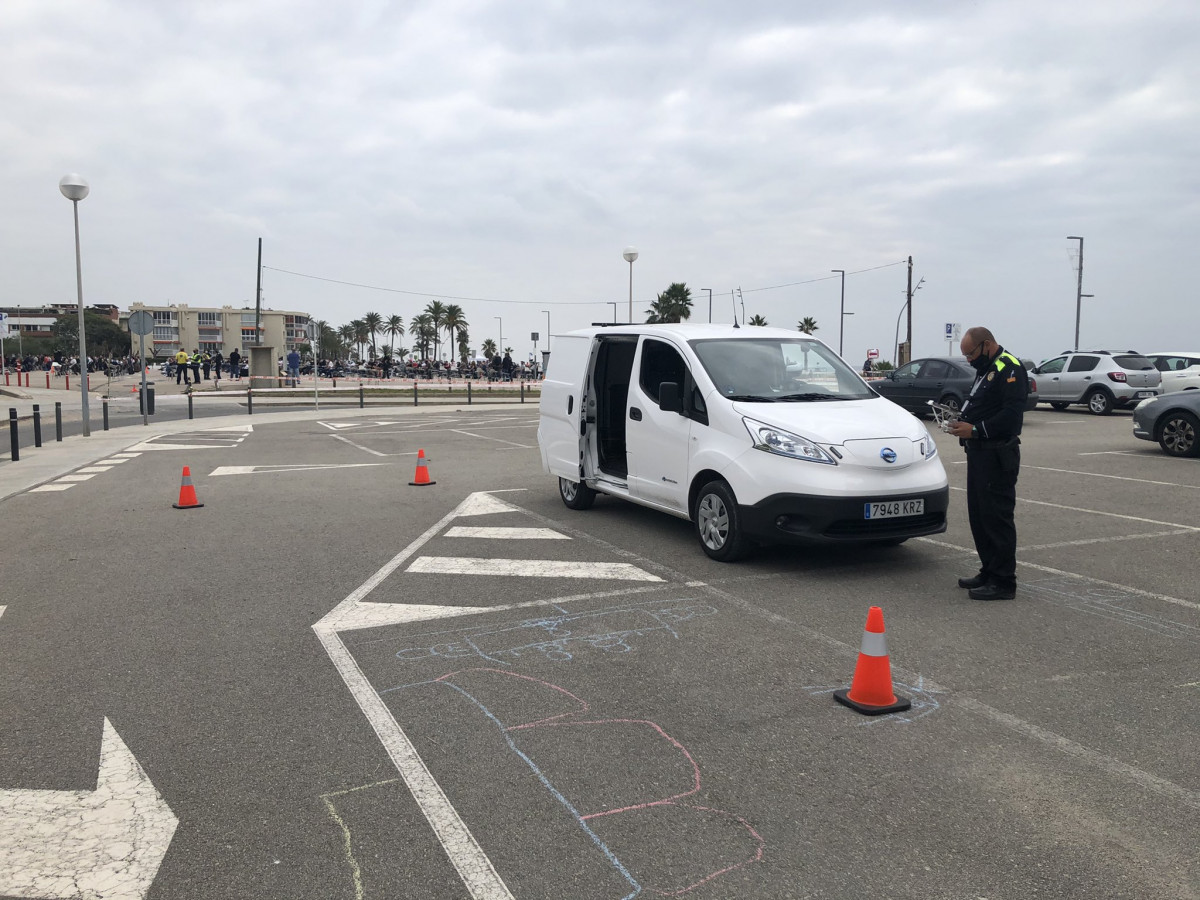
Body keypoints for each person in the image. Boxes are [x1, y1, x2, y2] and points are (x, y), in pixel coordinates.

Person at [947, 326, 1029, 601]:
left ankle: (1004, 580)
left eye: (970, 354)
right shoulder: (988, 368)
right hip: (979, 453)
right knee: (979, 516)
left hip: (997, 453)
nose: (969, 360)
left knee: (996, 517)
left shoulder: (1010, 368)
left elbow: (1011, 417)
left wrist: (976, 429)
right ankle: (989, 570)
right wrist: (961, 422)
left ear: (987, 344)